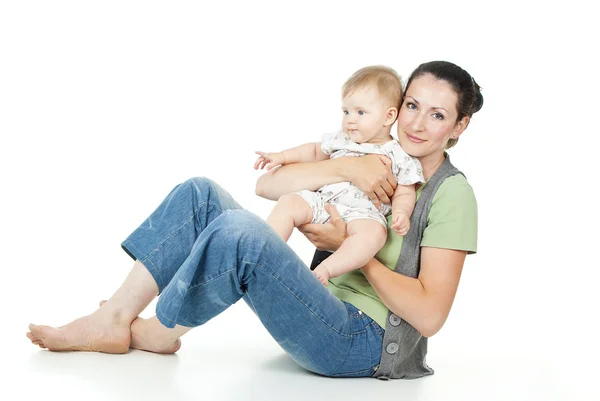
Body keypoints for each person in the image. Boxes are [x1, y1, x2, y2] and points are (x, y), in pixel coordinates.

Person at [26, 60, 483, 380]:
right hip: (321, 305)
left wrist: (354, 251)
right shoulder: (367, 153)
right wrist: (348, 168)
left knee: (241, 233)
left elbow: (429, 316)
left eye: (438, 114)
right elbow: (267, 187)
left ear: (459, 127)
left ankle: (161, 333)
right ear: (394, 108)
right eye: (412, 105)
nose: (417, 123)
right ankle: (113, 318)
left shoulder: (451, 193)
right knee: (200, 193)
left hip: (363, 343)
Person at [254, 66, 424, 286]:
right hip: (323, 202)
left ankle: (325, 268)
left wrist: (401, 212)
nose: (350, 120)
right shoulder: (342, 138)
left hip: (362, 214)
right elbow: (314, 151)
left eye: (360, 112)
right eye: (346, 112)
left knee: (374, 235)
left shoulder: (397, 154)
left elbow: (405, 190)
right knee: (288, 202)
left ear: (388, 116)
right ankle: (265, 258)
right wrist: (282, 156)